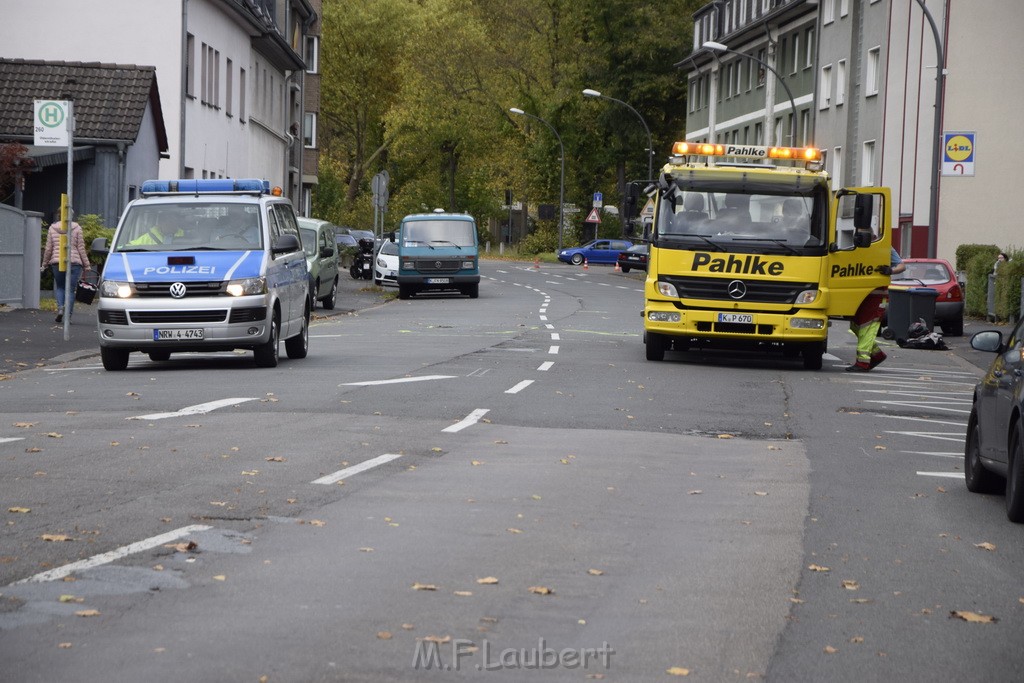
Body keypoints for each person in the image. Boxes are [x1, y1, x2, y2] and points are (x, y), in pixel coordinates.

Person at [846, 246, 906, 372]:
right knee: (855, 326)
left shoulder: (885, 248)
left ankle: (862, 363)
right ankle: (877, 355)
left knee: (867, 328)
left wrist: (890, 270)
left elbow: (902, 266)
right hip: (859, 294)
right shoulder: (856, 247)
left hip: (876, 294)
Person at [41, 210, 91, 324]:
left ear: (59, 215)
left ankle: (60, 309)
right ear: (71, 216)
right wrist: (87, 264)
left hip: (57, 262)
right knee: (71, 290)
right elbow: (81, 248)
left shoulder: (52, 228)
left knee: (60, 287)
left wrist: (44, 264)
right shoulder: (77, 228)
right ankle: (68, 316)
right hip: (74, 263)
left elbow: (48, 249)